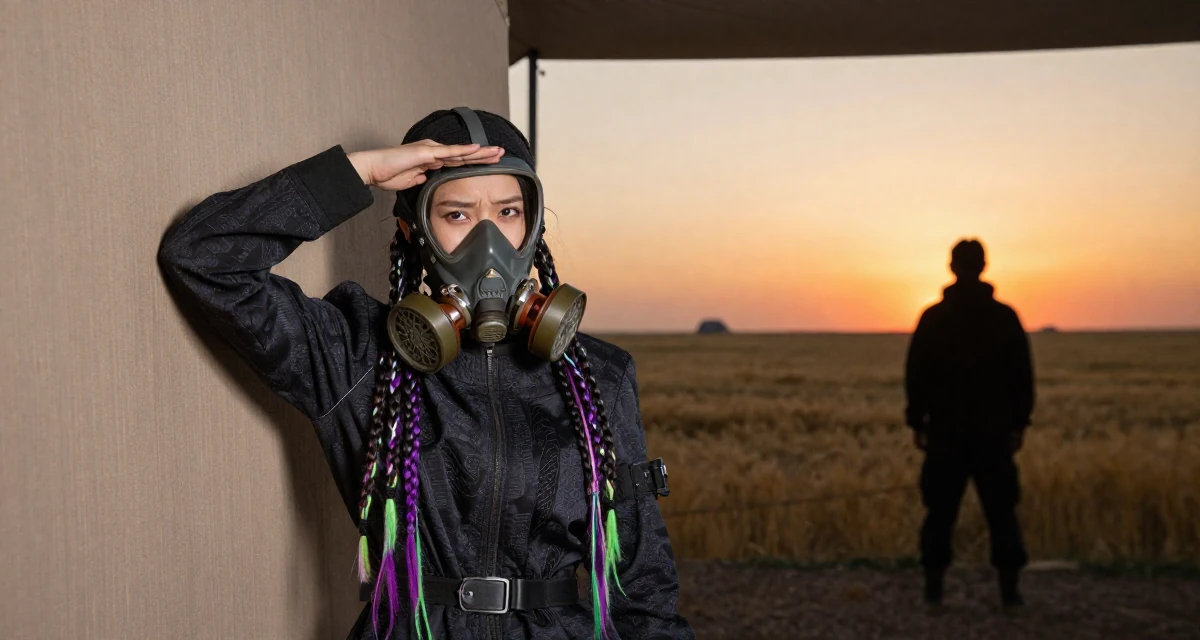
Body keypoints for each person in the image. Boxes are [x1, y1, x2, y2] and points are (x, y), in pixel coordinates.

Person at [158, 107, 692, 640]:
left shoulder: (599, 375)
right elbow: (203, 257)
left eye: (508, 212)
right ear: (414, 230)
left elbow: (641, 584)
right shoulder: (356, 355)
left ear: (533, 226)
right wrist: (359, 173)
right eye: (457, 214)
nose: (490, 241)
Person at [904, 238, 1035, 614]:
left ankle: (933, 593)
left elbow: (916, 374)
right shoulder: (1004, 317)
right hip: (993, 434)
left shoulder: (933, 318)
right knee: (1002, 513)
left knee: (940, 514)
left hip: (945, 434)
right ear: (983, 266)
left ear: (951, 267)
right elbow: (1022, 376)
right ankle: (1010, 595)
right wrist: (1019, 423)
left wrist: (918, 421)